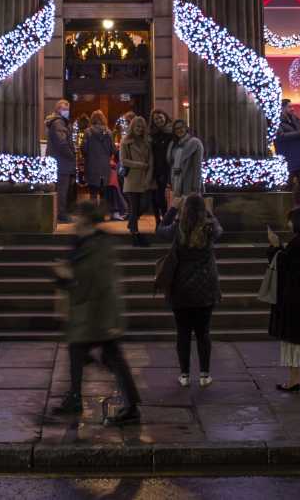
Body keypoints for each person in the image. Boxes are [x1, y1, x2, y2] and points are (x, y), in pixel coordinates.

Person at [49, 202, 141, 425]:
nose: (72, 220)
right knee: (79, 353)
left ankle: (130, 407)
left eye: (77, 216)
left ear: (86, 219)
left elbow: (96, 282)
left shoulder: (98, 246)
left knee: (111, 358)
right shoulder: (81, 242)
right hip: (87, 313)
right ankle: (76, 397)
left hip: (98, 314)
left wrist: (67, 275)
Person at [156, 193, 222, 387]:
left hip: (181, 289)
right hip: (205, 289)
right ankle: (204, 374)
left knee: (182, 333)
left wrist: (172, 209)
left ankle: (184, 375)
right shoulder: (209, 229)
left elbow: (160, 231)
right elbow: (220, 230)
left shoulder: (178, 229)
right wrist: (210, 212)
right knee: (203, 333)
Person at [267, 206, 300, 391]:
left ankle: (294, 378)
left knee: (292, 339)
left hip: (293, 297)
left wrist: (275, 246)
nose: (288, 224)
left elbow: (283, 264)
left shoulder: (298, 243)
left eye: (290, 220)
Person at [119, 116, 155, 246]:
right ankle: (135, 234)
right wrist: (140, 165)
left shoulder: (147, 141)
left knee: (145, 205)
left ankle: (131, 223)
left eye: (141, 127)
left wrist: (149, 177)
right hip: (132, 179)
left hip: (145, 179)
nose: (139, 129)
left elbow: (151, 161)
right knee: (134, 208)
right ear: (132, 127)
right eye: (137, 127)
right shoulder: (126, 142)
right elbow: (123, 161)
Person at [46, 99, 77, 224]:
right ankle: (61, 214)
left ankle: (60, 213)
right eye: (64, 109)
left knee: (59, 189)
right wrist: (71, 156)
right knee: (62, 190)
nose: (67, 112)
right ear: (58, 110)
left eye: (68, 109)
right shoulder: (59, 123)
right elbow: (62, 143)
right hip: (62, 162)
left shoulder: (59, 122)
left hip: (59, 161)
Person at [275, 100, 300, 207]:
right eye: (290, 107)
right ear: (283, 108)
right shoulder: (277, 121)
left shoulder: (295, 119)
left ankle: (299, 207)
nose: (292, 109)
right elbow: (280, 136)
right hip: (287, 159)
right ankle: (287, 209)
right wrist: (297, 134)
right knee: (288, 186)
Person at [81, 111, 115, 207]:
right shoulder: (109, 132)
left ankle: (94, 215)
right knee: (104, 194)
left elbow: (84, 149)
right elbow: (113, 149)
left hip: (92, 166)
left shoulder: (88, 132)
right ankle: (102, 214)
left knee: (93, 194)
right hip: (104, 167)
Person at [169, 119, 204, 204]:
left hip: (189, 181)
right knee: (178, 208)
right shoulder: (174, 144)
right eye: (176, 129)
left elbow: (197, 166)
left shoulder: (195, 142)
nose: (179, 130)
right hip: (176, 180)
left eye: (181, 127)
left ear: (186, 128)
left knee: (189, 209)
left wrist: (196, 186)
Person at [148, 109, 174, 221]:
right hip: (153, 169)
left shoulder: (171, 133)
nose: (158, 120)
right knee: (154, 197)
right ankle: (157, 220)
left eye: (160, 117)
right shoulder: (151, 134)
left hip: (166, 169)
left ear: (165, 117)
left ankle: (165, 220)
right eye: (156, 119)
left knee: (162, 197)